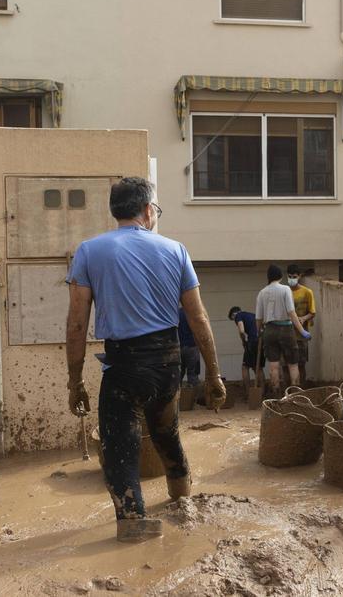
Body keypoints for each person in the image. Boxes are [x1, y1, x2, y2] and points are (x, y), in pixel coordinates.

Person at [65, 177, 226, 542]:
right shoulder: (176, 250)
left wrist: (75, 381)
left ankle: (133, 525)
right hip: (168, 364)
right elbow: (199, 318)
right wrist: (214, 374)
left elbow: (76, 324)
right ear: (148, 210)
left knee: (119, 450)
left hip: (123, 368)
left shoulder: (89, 251)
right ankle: (183, 505)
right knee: (167, 436)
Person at [256, 264, 311, 396]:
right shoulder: (285, 289)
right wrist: (302, 331)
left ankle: (276, 395)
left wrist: (259, 332)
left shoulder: (262, 293)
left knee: (274, 366)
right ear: (280, 276)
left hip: (269, 330)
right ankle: (295, 395)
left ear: (269, 277)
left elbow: (258, 318)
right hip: (286, 329)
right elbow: (291, 312)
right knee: (293, 364)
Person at [286, 264, 317, 386]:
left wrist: (303, 318)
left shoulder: (307, 292)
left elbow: (312, 312)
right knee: (286, 365)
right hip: (287, 334)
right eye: (289, 276)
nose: (292, 279)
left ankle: (302, 389)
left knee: (301, 364)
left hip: (301, 335)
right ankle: (288, 391)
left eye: (294, 277)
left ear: (299, 276)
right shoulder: (285, 292)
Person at [228, 306, 260, 386]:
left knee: (245, 367)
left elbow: (241, 331)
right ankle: (262, 389)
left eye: (233, 319)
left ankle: (247, 390)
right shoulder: (252, 315)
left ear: (233, 314)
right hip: (260, 340)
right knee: (258, 367)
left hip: (252, 341)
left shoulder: (238, 316)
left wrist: (243, 341)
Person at [178, 308, 201, 387]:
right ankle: (193, 390)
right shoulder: (192, 313)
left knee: (178, 373)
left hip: (179, 348)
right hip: (192, 347)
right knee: (193, 372)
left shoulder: (176, 314)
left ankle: (176, 392)